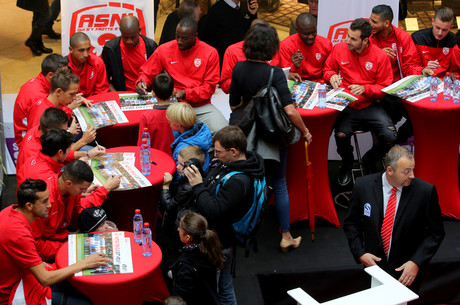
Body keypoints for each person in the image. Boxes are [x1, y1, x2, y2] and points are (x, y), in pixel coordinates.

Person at [229, 23, 312, 253]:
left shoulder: (238, 68)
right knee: (279, 182)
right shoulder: (274, 73)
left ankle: (240, 230)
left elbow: (234, 104)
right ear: (271, 47)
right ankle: (286, 235)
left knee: (244, 181)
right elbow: (290, 111)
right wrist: (305, 132)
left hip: (245, 135)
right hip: (271, 136)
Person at [343, 145, 445, 290]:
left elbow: (436, 232)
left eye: (413, 169)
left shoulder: (424, 192)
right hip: (373, 269)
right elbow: (351, 223)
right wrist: (360, 253)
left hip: (405, 273)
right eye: (406, 171)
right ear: (390, 170)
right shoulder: (363, 186)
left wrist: (416, 262)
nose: (412, 176)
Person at [183, 125, 265, 305]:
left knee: (216, 289)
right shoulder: (237, 164)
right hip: (222, 240)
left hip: (220, 243)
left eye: (219, 152)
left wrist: (198, 185)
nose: (215, 156)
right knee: (224, 285)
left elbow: (213, 211)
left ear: (233, 151)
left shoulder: (239, 181)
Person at [0, 179, 110, 304]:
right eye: (44, 201)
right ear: (29, 206)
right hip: (15, 292)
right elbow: (45, 279)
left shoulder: (10, 211)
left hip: (23, 277)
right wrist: (85, 263)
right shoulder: (19, 234)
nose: (50, 205)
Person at [323, 18, 395, 186]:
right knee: (340, 135)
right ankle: (347, 163)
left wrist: (366, 89)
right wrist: (331, 75)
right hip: (348, 106)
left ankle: (369, 159)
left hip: (370, 105)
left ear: (365, 40)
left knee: (391, 136)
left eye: (353, 39)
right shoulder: (340, 48)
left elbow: (385, 88)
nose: (347, 41)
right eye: (348, 36)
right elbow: (328, 69)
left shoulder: (379, 55)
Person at [136, 17, 228, 137]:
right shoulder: (164, 49)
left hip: (199, 104)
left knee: (222, 131)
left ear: (195, 35)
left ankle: (205, 153)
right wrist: (141, 83)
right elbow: (147, 72)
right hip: (172, 103)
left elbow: (209, 89)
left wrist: (185, 93)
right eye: (177, 36)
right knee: (158, 128)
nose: (179, 41)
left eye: (184, 38)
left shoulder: (210, 52)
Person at [31, 160, 121, 260]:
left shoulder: (68, 189)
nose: (84, 192)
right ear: (68, 183)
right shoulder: (44, 202)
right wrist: (67, 247)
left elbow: (79, 210)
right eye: (82, 189)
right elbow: (35, 243)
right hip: (49, 248)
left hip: (64, 236)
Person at [369, 4, 431, 145]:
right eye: (371, 20)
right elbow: (362, 66)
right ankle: (380, 154)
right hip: (377, 91)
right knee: (385, 126)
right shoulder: (369, 37)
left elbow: (410, 66)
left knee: (419, 118)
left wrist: (422, 71)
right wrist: (378, 55)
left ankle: (397, 144)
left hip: (398, 91)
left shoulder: (402, 38)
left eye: (374, 21)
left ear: (386, 23)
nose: (370, 24)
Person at [17, 108, 105, 171]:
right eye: (64, 130)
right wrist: (83, 142)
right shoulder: (34, 151)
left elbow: (62, 153)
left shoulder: (40, 129)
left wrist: (87, 153)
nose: (67, 132)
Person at [14, 54, 68, 147]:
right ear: (51, 75)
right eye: (63, 74)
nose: (67, 77)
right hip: (32, 146)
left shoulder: (38, 82)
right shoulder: (39, 98)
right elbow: (40, 135)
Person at [169, 212, 222, 305]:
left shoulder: (185, 264)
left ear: (188, 237)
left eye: (180, 228)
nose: (178, 229)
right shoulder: (208, 249)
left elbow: (180, 298)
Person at [220, 18, 281, 94]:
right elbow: (225, 85)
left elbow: (281, 72)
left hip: (269, 98)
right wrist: (245, 82)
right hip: (242, 99)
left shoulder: (272, 48)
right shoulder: (233, 51)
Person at [101, 15, 157, 92]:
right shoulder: (110, 49)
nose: (129, 41)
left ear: (139, 30)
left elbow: (156, 74)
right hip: (121, 93)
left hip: (146, 92)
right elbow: (105, 79)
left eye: (133, 37)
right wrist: (117, 95)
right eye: (125, 37)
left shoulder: (151, 46)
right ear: (120, 31)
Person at [161, 145, 205, 231]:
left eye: (181, 164)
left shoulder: (187, 187)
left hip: (180, 225)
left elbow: (169, 206)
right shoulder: (194, 176)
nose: (177, 167)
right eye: (178, 163)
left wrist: (165, 187)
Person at [202, 0, 259, 65]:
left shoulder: (247, 6)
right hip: (224, 61)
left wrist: (253, 15)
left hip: (245, 59)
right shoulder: (215, 10)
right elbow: (209, 39)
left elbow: (252, 33)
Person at [279, 12, 332, 82]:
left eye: (313, 32)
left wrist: (331, 76)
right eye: (306, 34)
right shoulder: (286, 46)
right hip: (297, 82)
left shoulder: (326, 44)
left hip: (320, 83)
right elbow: (286, 75)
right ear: (297, 30)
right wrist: (296, 66)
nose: (311, 37)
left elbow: (329, 70)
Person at [412, 6, 459, 78]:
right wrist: (424, 69)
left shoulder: (455, 42)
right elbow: (410, 67)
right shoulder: (417, 38)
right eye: (437, 28)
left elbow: (456, 69)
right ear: (432, 22)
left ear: (451, 28)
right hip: (421, 78)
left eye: (444, 30)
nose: (440, 33)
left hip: (446, 82)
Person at [166, 102, 212, 172]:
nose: (169, 123)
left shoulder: (183, 149)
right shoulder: (200, 133)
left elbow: (180, 173)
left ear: (178, 125)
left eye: (170, 121)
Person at [138, 73, 175, 156]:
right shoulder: (178, 112)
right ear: (173, 92)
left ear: (153, 93)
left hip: (154, 157)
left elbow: (142, 143)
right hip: (175, 158)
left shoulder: (146, 116)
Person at [68, 32, 110, 97]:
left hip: (93, 103)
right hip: (71, 103)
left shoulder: (97, 63)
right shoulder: (62, 66)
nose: (86, 54)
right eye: (81, 50)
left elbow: (101, 90)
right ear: (71, 49)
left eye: (88, 49)